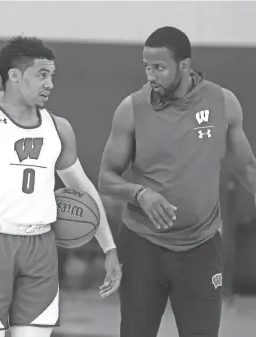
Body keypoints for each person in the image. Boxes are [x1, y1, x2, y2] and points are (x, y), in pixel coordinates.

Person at [98, 26, 256, 337]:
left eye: (159, 67)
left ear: (184, 66)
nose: (151, 75)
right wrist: (140, 192)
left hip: (201, 247)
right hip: (142, 245)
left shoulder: (223, 103)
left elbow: (247, 167)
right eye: (147, 67)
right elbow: (106, 178)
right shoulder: (131, 109)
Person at [0, 36, 122, 337]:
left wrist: (109, 247)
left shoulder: (58, 127)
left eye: (52, 75)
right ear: (14, 76)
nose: (50, 83)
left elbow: (84, 189)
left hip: (40, 247)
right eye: (41, 74)